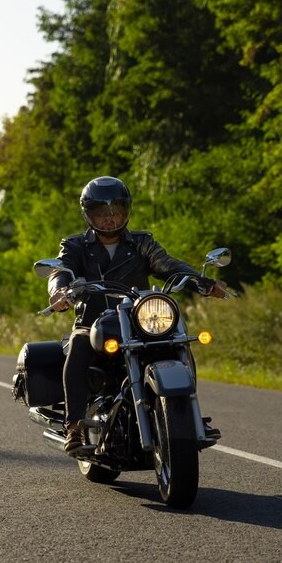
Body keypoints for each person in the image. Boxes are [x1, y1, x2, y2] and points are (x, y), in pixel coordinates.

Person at [48, 176, 226, 454]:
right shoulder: (75, 246)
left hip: (137, 322)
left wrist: (200, 282)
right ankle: (75, 427)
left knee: (178, 341)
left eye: (115, 212)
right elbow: (61, 270)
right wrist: (59, 292)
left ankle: (187, 414)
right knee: (78, 347)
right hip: (93, 322)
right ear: (89, 214)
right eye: (102, 213)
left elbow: (169, 266)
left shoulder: (142, 243)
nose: (109, 219)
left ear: (125, 211)